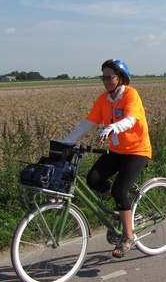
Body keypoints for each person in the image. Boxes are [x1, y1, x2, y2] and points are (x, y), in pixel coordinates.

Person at [60, 59, 152, 258]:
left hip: (137, 151)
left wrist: (113, 127)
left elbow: (130, 120)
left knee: (119, 189)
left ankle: (128, 236)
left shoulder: (130, 94)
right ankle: (123, 207)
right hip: (117, 151)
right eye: (104, 77)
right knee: (93, 179)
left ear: (120, 78)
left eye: (110, 76)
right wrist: (66, 141)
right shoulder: (103, 99)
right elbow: (88, 123)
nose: (106, 80)